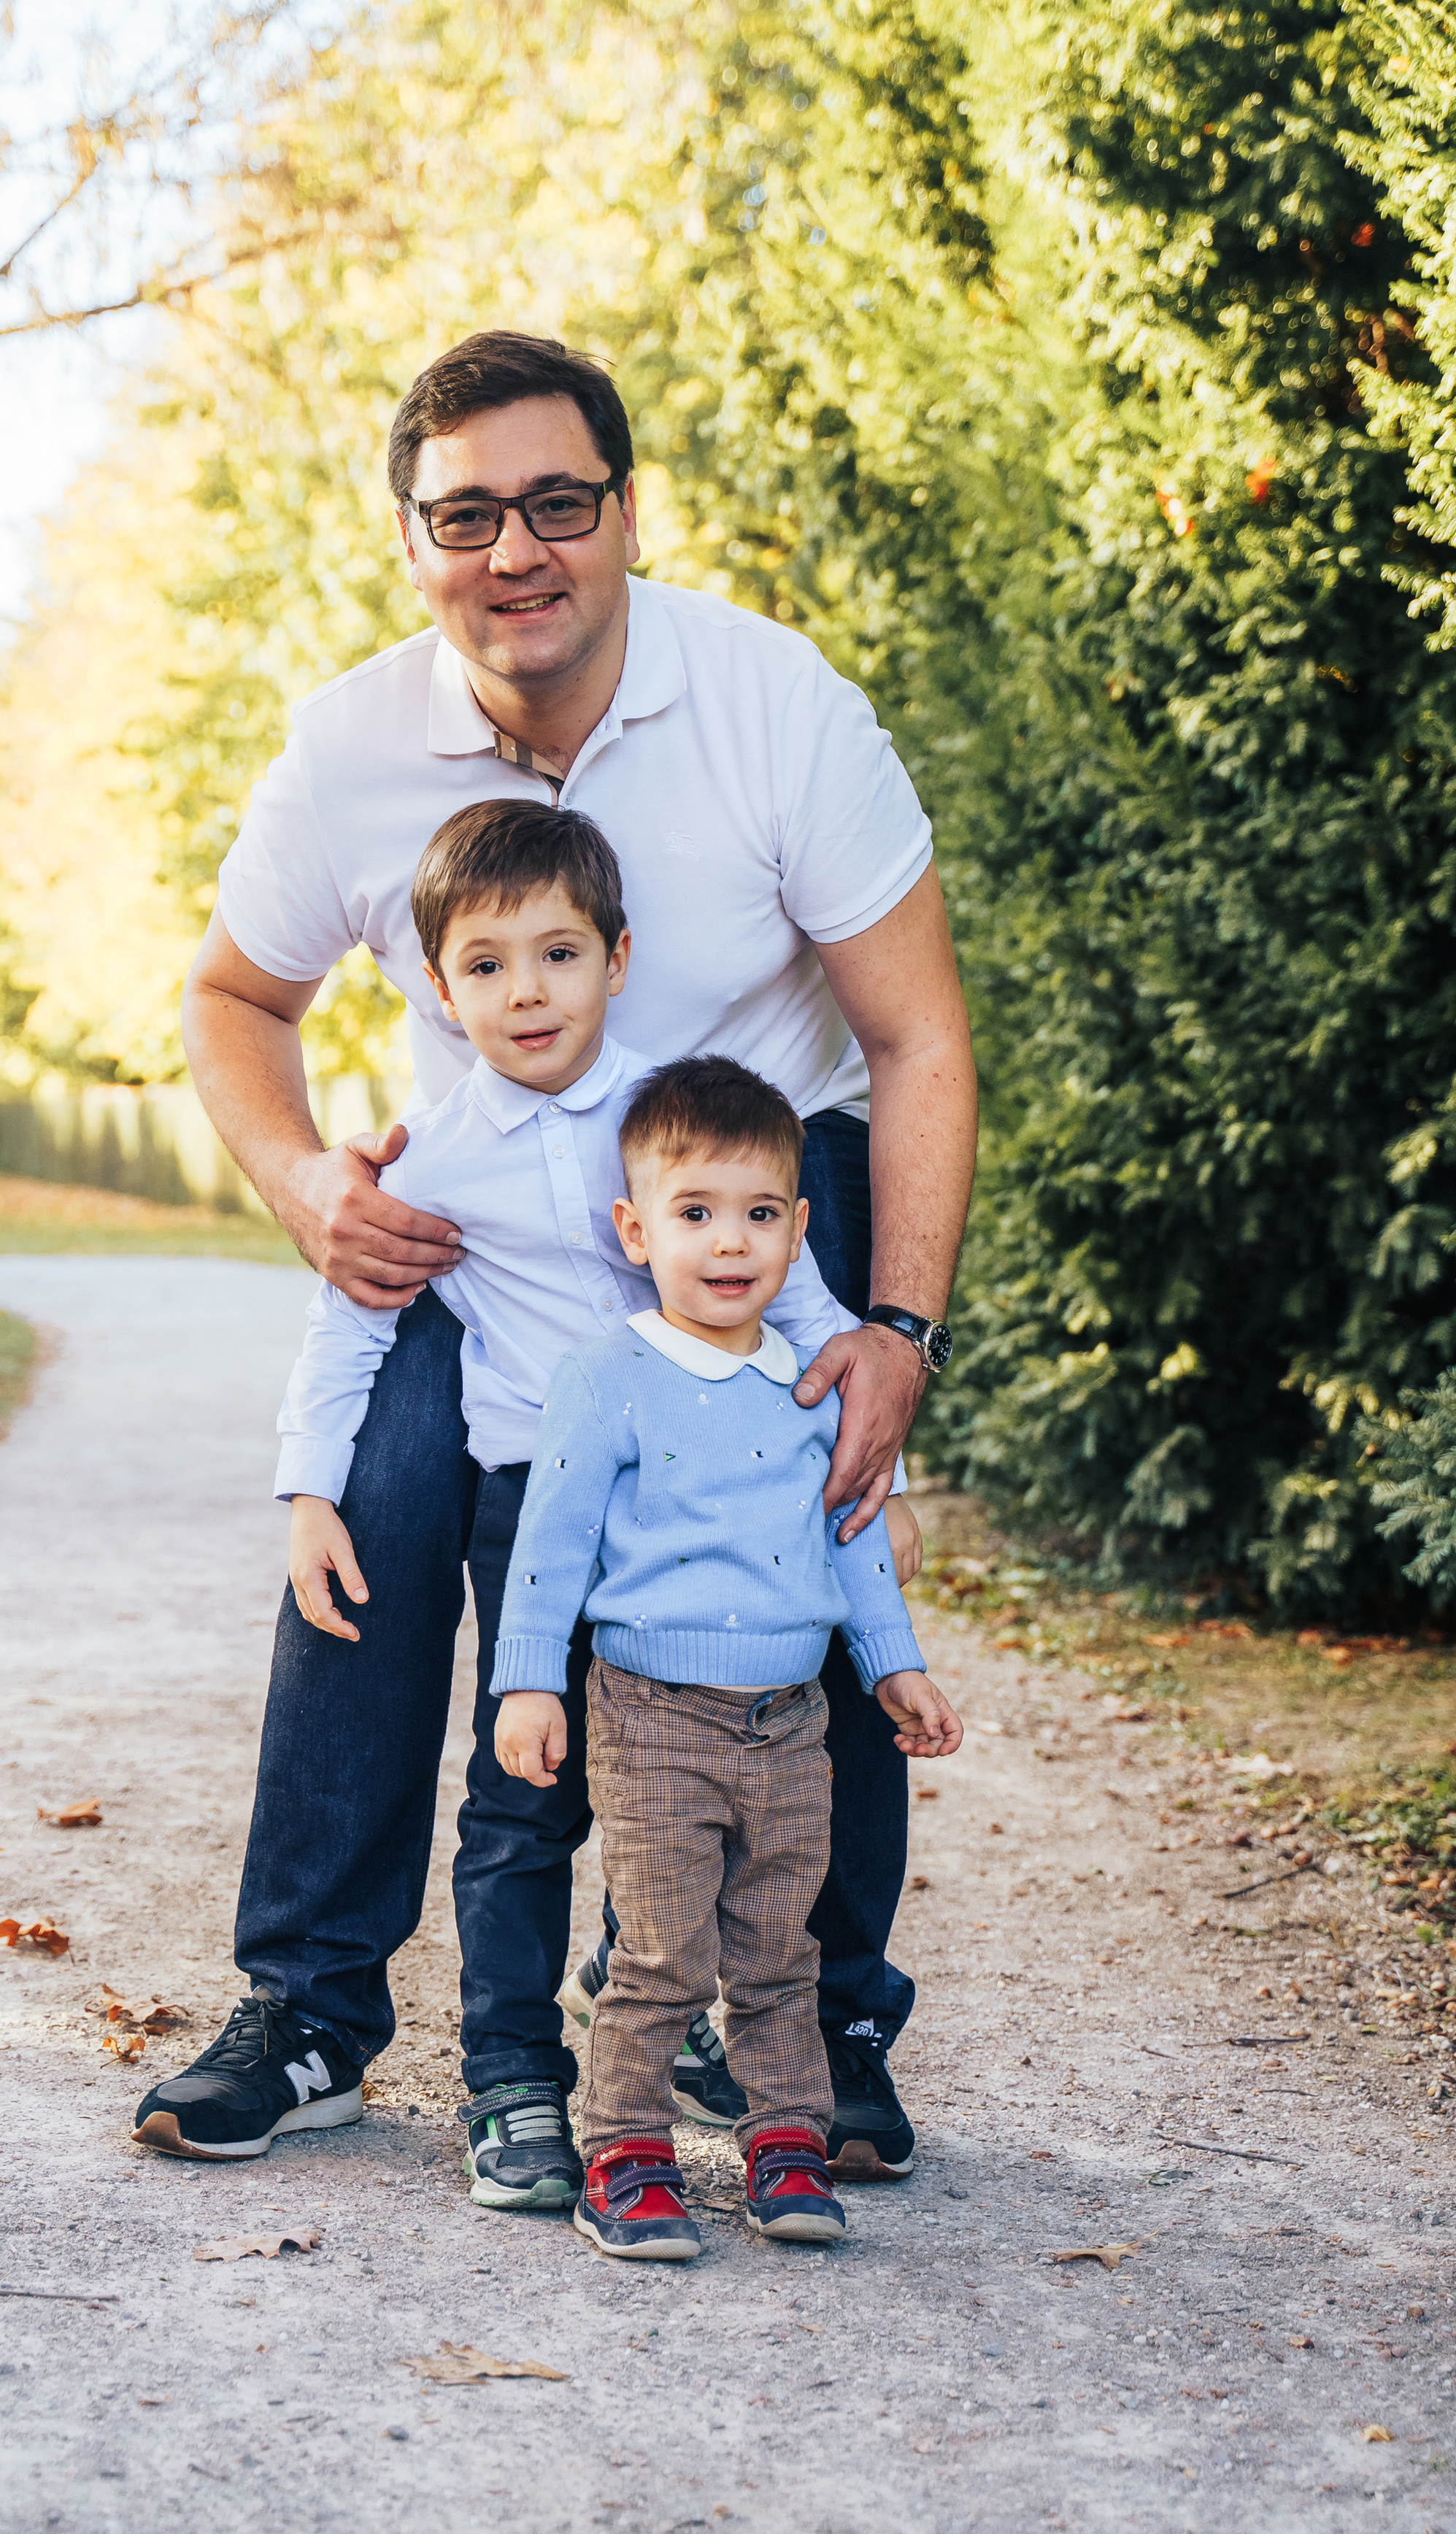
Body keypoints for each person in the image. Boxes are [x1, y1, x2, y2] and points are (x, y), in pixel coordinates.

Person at [135, 328, 977, 2176]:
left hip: (742, 1195)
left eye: (554, 504)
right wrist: (304, 1186)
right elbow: (229, 995)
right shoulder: (349, 749)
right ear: (412, 538)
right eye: (465, 517)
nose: (512, 550)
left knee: (797, 1541)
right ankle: (309, 2008)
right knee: (370, 1506)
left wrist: (895, 1325)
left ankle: (804, 2018)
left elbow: (915, 1038)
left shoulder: (777, 708)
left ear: (617, 511)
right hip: (498, 1210)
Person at [163, 797, 909, 2203]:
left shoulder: (683, 1120)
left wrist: (885, 1475)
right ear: (438, 992)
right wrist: (312, 1491)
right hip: (534, 1527)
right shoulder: (432, 1160)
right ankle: (512, 2079)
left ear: (618, 960)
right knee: (521, 1809)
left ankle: (708, 2049)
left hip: (694, 1533)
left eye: (560, 954)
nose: (527, 992)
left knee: (702, 1795)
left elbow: (813, 1317)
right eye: (488, 965)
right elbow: (356, 1326)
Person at [493, 1055, 961, 2262]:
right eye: (694, 1214)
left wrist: (892, 1663)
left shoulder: (815, 1382)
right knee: (659, 1953)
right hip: (651, 1716)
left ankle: (786, 2146)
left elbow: (850, 1537)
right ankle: (628, 2156)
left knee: (776, 1951)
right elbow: (552, 1540)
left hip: (789, 1725)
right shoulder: (610, 1376)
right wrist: (529, 1681)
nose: (728, 1243)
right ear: (634, 1227)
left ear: (799, 1230)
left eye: (759, 1215)